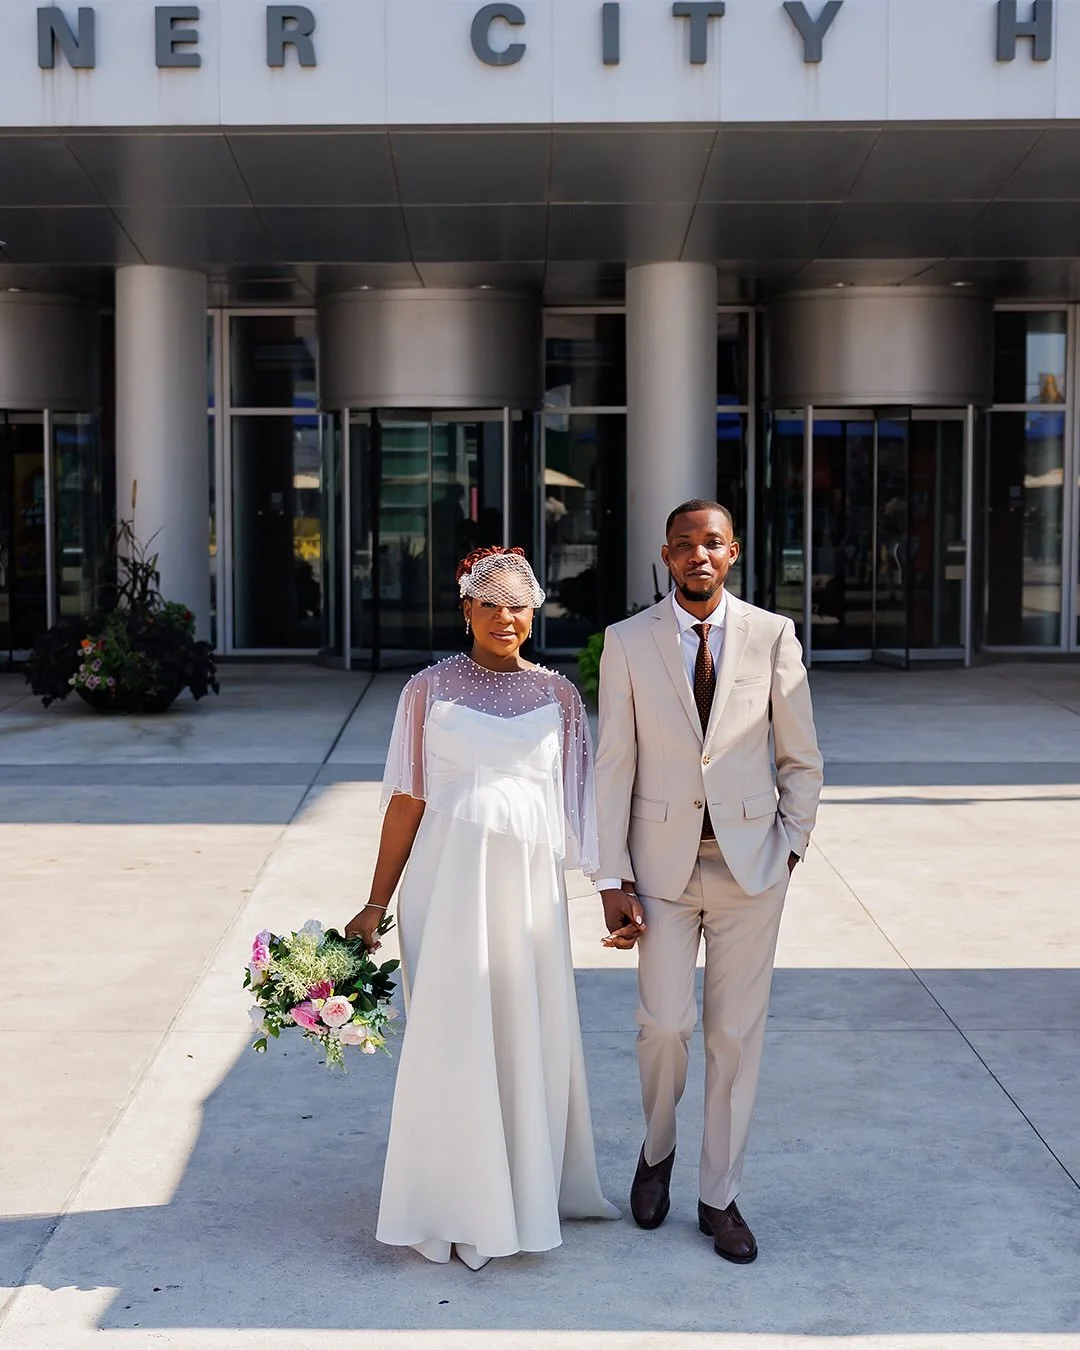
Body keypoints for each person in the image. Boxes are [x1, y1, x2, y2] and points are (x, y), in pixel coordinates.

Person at [344, 546, 618, 1271]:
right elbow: (407, 801)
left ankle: (523, 1192)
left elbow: (583, 805)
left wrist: (609, 890)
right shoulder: (428, 691)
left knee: (525, 1027)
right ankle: (451, 1201)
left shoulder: (559, 696)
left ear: (536, 613)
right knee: (454, 1029)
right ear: (465, 609)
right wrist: (375, 902)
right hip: (447, 878)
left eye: (519, 604)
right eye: (490, 603)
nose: (506, 617)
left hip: (529, 887)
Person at [594, 499, 823, 1264]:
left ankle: (718, 1195)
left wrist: (789, 847)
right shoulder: (627, 642)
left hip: (752, 868)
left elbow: (801, 756)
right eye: (686, 544)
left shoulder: (772, 635)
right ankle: (656, 1151)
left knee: (733, 1036)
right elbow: (612, 764)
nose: (699, 555)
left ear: (733, 553)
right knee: (664, 1024)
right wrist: (610, 876)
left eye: (713, 543)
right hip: (659, 872)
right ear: (666, 555)